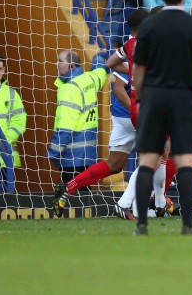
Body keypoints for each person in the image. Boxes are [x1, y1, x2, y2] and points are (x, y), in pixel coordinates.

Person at [131, 0, 192, 236]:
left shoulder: (148, 27)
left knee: (147, 161)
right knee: (183, 161)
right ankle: (188, 225)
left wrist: (142, 96)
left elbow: (138, 70)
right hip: (183, 98)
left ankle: (141, 226)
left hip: (154, 97)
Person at [52, 12, 147, 217]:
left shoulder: (128, 47)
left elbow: (109, 64)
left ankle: (69, 187)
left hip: (123, 116)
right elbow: (119, 87)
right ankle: (146, 203)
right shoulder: (142, 46)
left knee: (115, 164)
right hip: (134, 112)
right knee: (159, 156)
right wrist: (136, 108)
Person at [48, 49, 107, 211]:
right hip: (89, 154)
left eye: (60, 61)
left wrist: (53, 152)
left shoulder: (68, 89)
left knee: (70, 199)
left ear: (71, 66)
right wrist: (99, 56)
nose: (57, 64)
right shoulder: (90, 79)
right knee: (85, 195)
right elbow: (100, 69)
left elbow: (65, 128)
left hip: (71, 155)